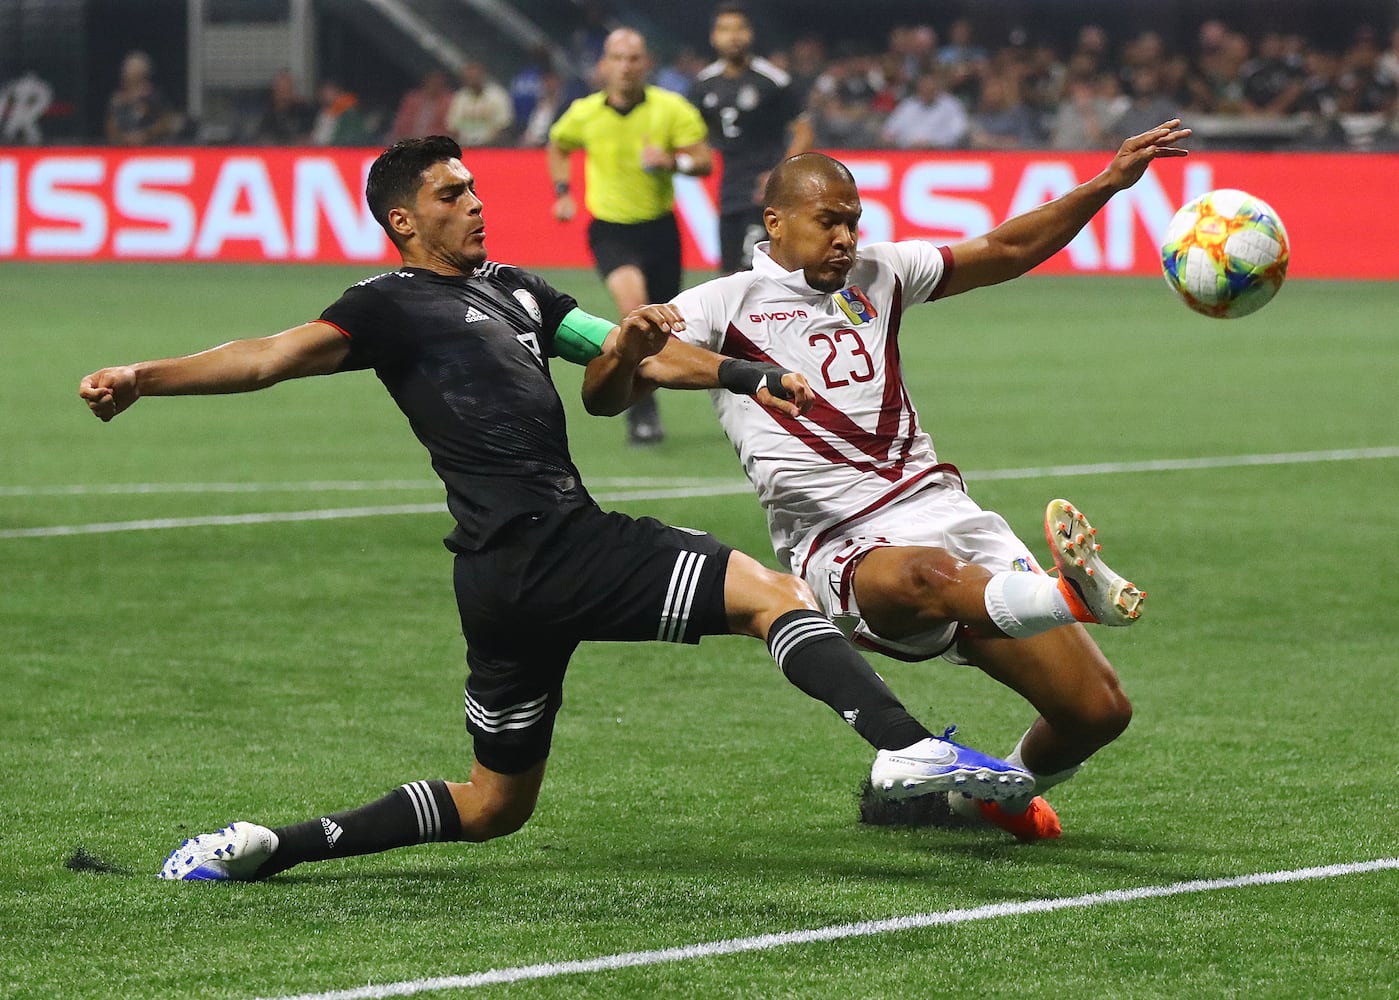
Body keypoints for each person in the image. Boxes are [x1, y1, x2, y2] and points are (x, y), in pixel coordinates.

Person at [79, 136, 1031, 882]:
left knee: (494, 805)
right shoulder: (384, 305)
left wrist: (743, 370)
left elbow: (633, 354)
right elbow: (266, 355)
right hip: (555, 543)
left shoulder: (522, 294)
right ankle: (902, 749)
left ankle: (270, 844)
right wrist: (144, 377)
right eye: (451, 195)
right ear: (404, 223)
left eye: (474, 187)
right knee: (770, 595)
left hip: (495, 578)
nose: (475, 202)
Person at [608, 124, 1191, 841]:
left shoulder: (880, 273)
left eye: (853, 222)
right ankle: (1065, 593)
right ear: (775, 222)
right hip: (839, 542)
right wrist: (642, 351)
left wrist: (1103, 184)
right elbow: (619, 386)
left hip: (943, 508)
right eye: (829, 222)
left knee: (1098, 711)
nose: (846, 238)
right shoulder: (723, 304)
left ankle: (986, 801)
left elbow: (1004, 250)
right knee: (925, 577)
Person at [547, 27, 714, 446]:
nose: (625, 66)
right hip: (610, 230)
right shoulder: (584, 112)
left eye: (634, 58)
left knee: (660, 334)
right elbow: (558, 145)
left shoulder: (671, 109)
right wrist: (563, 193)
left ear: (646, 64)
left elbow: (704, 162)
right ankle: (642, 413)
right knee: (637, 313)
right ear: (604, 65)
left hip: (659, 231)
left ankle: (640, 396)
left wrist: (672, 161)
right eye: (617, 58)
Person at [690, 3, 814, 274]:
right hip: (729, 190)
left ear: (750, 34)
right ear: (714, 36)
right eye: (725, 29)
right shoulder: (704, 84)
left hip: (763, 191)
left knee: (753, 273)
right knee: (728, 276)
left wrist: (780, 174)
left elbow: (804, 131)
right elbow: (694, 133)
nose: (732, 36)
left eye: (739, 29)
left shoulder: (773, 81)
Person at [105, 50, 183, 146]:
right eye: (126, 68)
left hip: (151, 148)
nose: (126, 72)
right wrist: (121, 137)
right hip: (123, 148)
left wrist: (146, 134)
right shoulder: (118, 98)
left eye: (130, 68)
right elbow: (111, 125)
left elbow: (168, 121)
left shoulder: (153, 95)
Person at [445, 60, 514, 147]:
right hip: (464, 146)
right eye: (469, 77)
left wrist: (488, 143)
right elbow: (452, 126)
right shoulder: (460, 97)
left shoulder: (497, 95)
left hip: (491, 147)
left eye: (474, 76)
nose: (472, 80)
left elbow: (503, 125)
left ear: (482, 75)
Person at [387, 68, 453, 143]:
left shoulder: (449, 102)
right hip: (408, 139)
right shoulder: (412, 99)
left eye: (438, 82)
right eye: (432, 81)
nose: (434, 85)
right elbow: (401, 122)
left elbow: (448, 128)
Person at [251, 70, 313, 144]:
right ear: (275, 90)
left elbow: (309, 135)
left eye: (287, 89)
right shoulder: (265, 113)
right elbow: (261, 138)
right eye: (281, 88)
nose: (284, 93)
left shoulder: (304, 111)